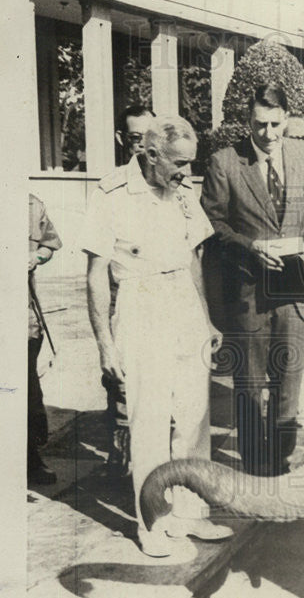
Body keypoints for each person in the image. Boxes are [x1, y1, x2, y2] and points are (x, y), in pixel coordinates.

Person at [80, 116, 220, 553]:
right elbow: (96, 275)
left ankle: (190, 514)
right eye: (179, 164)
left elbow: (192, 257)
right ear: (151, 154)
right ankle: (153, 523)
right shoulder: (112, 193)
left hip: (184, 304)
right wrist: (105, 342)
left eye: (190, 164)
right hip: (142, 306)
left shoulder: (182, 192)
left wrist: (207, 317)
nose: (187, 172)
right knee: (150, 421)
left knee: (195, 416)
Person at [201, 84, 304, 475]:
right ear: (247, 122)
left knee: (290, 377)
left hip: (294, 288)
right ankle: (256, 467)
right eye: (259, 125)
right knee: (250, 382)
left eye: (275, 124)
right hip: (249, 290)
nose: (268, 134)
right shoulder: (224, 162)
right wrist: (251, 246)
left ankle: (282, 461)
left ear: (286, 119)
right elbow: (213, 223)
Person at [103, 104, 156, 478]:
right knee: (120, 385)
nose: (143, 146)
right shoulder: (111, 190)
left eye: (149, 138)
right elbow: (99, 270)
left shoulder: (175, 185)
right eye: (136, 138)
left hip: (165, 307)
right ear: (124, 140)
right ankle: (120, 460)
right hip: (126, 303)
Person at [28, 194, 62, 485]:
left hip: (23, 318)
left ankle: (29, 459)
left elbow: (49, 244)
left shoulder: (31, 205)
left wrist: (35, 257)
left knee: (27, 391)